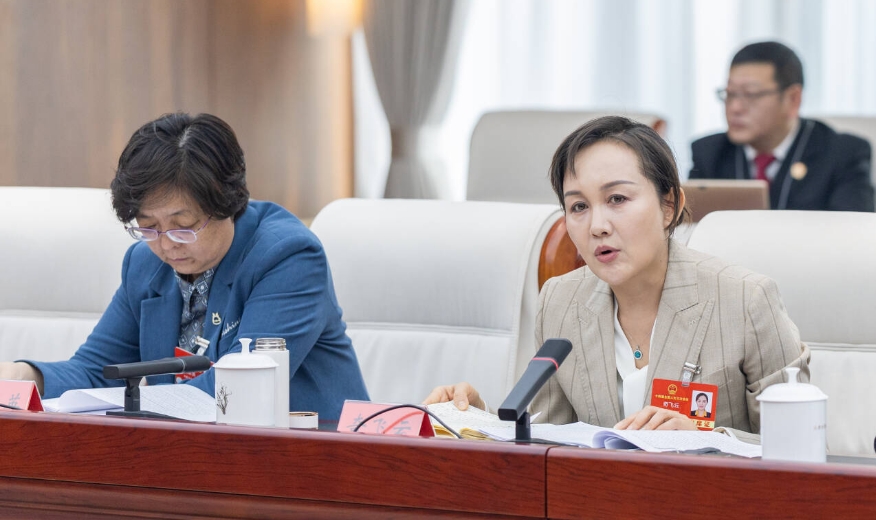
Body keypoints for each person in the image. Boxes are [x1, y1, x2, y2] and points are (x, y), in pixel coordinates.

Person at [424, 116, 810, 441]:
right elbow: (547, 438)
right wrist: (476, 421)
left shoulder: (745, 299)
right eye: (578, 206)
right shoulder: (560, 301)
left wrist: (705, 439)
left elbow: (800, 445)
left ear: (669, 205)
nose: (598, 226)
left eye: (617, 199)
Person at [0, 112, 368, 420]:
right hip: (191, 456)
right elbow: (97, 372)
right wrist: (25, 376)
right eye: (148, 226)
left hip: (311, 458)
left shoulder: (287, 257)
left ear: (227, 203)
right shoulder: (144, 264)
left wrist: (131, 405)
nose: (165, 244)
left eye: (183, 226)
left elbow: (234, 390)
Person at [689, 41, 874, 212]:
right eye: (730, 94)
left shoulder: (842, 155)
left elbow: (851, 231)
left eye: (750, 94)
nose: (735, 107)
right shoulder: (709, 154)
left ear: (793, 99)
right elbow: (688, 227)